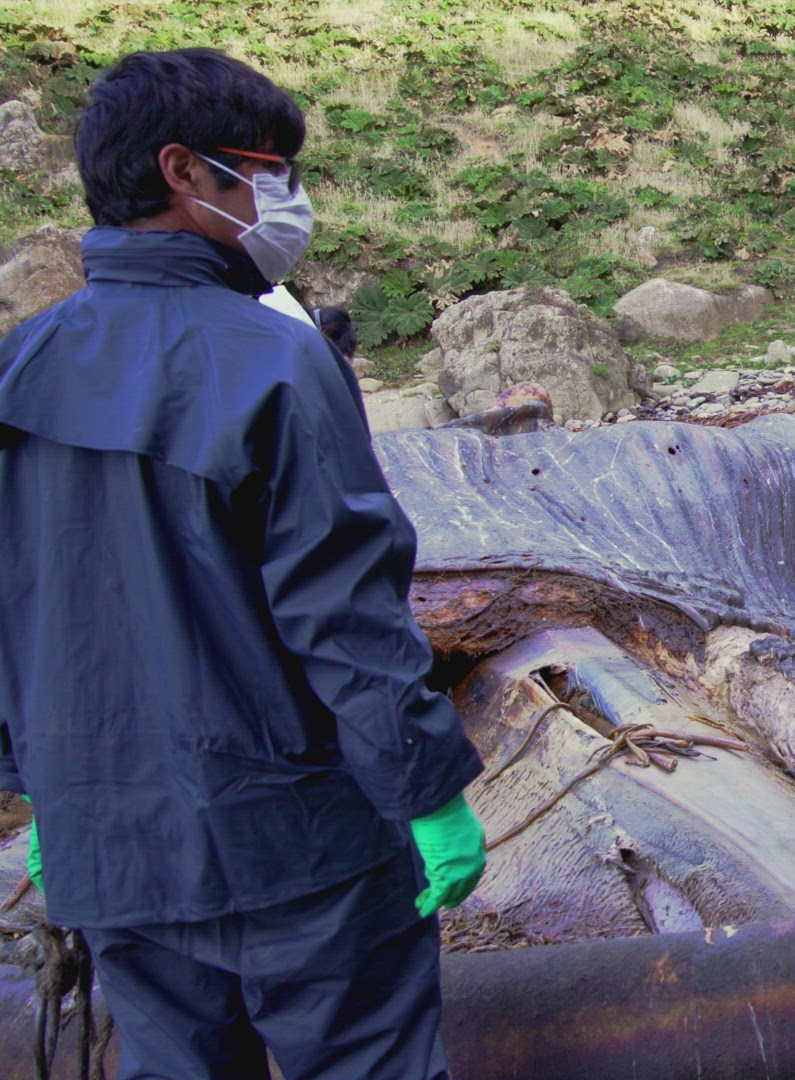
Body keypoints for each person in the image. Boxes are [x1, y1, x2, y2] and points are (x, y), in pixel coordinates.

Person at [0, 49, 486, 1077]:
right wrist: (428, 791)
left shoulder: (21, 365)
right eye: (270, 170)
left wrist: (40, 791)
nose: (289, 199)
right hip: (299, 846)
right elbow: (346, 611)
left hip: (110, 842)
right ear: (184, 171)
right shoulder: (278, 356)